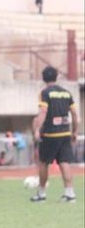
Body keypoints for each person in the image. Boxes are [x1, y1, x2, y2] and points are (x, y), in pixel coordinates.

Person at [30, 66, 78, 202]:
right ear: (56, 77)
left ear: (43, 78)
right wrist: (74, 131)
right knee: (65, 162)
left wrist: (37, 129)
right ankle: (70, 194)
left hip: (50, 134)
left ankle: (41, 194)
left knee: (44, 162)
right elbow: (74, 113)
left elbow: (43, 111)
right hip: (65, 133)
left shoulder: (45, 93)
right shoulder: (66, 93)